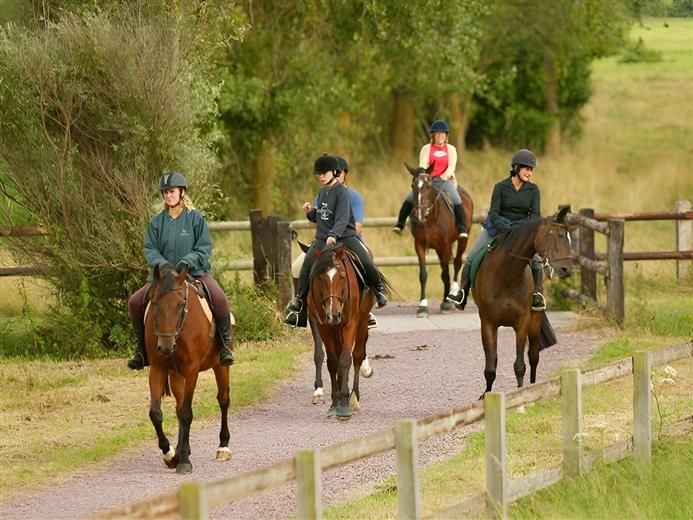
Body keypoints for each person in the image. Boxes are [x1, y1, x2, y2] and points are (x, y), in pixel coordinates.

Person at [126, 171, 234, 370]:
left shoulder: (196, 219)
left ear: (181, 192)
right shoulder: (156, 222)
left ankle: (225, 348)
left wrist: (186, 262)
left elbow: (203, 248)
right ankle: (141, 351)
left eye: (172, 191)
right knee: (134, 302)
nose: (169, 195)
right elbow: (150, 249)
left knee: (220, 300)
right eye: (165, 192)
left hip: (195, 273)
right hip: (163, 278)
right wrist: (162, 265)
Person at [285, 154, 387, 327]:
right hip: (323, 238)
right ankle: (299, 301)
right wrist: (310, 212)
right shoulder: (322, 192)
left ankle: (379, 290)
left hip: (345, 236)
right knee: (307, 264)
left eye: (324, 173)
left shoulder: (342, 192)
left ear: (334, 172)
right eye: (319, 174)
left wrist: (333, 235)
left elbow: (342, 218)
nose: (321, 176)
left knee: (365, 259)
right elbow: (321, 216)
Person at [446, 149, 546, 311]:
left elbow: (535, 215)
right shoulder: (500, 187)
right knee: (472, 257)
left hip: (522, 230)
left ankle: (537, 295)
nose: (529, 173)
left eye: (531, 170)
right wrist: (504, 227)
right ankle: (462, 292)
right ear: (517, 168)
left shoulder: (534, 190)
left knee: (537, 260)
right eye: (527, 169)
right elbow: (493, 213)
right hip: (498, 228)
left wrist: (519, 230)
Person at [392, 119, 468, 238]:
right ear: (433, 135)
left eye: (443, 133)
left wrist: (446, 174)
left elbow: (452, 166)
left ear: (446, 135)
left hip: (444, 180)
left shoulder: (451, 149)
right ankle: (400, 224)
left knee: (456, 198)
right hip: (428, 181)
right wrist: (422, 174)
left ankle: (462, 228)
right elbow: (423, 164)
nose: (441, 136)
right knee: (410, 197)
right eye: (438, 133)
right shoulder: (426, 148)